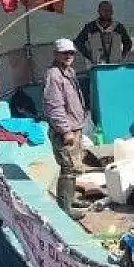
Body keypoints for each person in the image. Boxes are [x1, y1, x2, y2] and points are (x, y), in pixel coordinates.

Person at [43, 39, 89, 220]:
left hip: (75, 127)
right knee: (67, 167)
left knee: (75, 165)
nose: (69, 56)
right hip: (65, 131)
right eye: (65, 53)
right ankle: (65, 208)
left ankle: (71, 198)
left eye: (71, 53)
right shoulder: (53, 75)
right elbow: (54, 106)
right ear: (56, 54)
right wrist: (65, 130)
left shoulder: (69, 72)